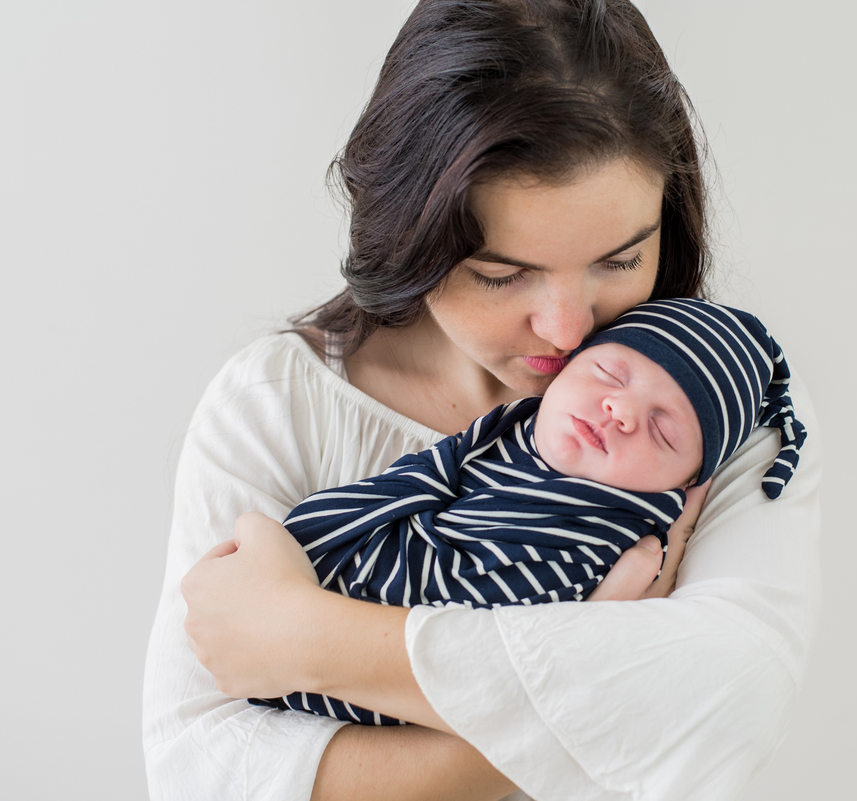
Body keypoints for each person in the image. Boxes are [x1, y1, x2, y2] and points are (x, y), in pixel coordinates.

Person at [144, 1, 822, 799]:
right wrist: (593, 660)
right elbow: (200, 773)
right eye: (502, 275)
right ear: (408, 235)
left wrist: (310, 637)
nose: (568, 329)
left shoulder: (711, 410)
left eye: (619, 260)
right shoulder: (278, 404)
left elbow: (730, 700)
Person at [250, 298, 808, 725]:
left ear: (689, 483)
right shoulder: (511, 433)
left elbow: (513, 654)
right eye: (610, 375)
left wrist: (303, 628)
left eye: (664, 431)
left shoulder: (613, 533)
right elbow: (414, 483)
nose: (620, 410)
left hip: (405, 673)